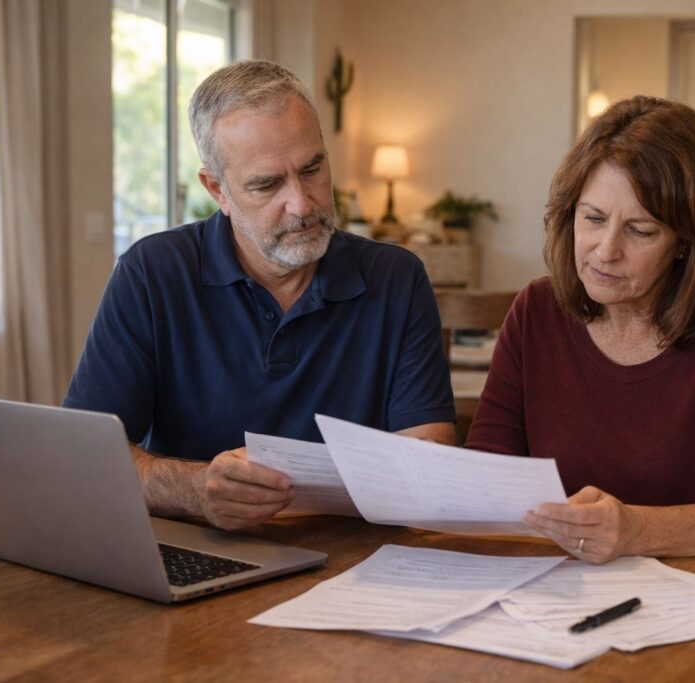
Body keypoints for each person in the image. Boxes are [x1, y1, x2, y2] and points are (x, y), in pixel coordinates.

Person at [64, 60, 455, 531]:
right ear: (217, 190)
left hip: (352, 557)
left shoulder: (396, 278)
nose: (303, 204)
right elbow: (86, 457)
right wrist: (195, 489)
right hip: (200, 548)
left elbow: (429, 461)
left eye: (312, 168)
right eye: (267, 184)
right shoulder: (152, 273)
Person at [466, 96, 695, 564]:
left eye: (641, 231)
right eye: (592, 219)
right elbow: (486, 476)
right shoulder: (536, 311)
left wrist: (637, 530)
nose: (605, 251)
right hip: (555, 598)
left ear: (686, 243)